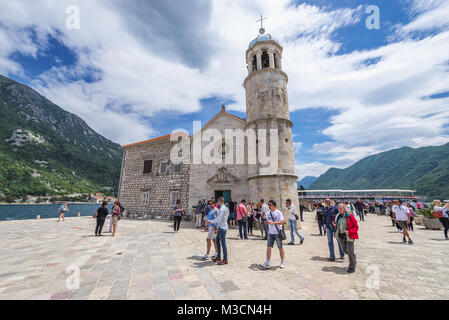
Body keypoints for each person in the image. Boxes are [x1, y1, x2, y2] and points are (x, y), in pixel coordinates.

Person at [259, 200, 286, 270]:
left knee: (280, 247)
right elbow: (269, 221)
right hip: (270, 233)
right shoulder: (268, 213)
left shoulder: (278, 212)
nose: (269, 206)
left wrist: (273, 223)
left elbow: (282, 222)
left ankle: (282, 261)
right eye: (268, 204)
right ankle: (267, 262)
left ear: (274, 205)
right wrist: (267, 222)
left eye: (270, 204)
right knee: (268, 248)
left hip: (277, 233)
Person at [334, 204, 359, 273]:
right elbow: (336, 225)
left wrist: (349, 231)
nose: (339, 209)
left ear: (345, 209)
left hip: (349, 236)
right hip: (341, 237)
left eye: (341, 208)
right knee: (345, 251)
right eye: (338, 208)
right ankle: (353, 258)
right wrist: (335, 228)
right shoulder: (338, 216)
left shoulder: (350, 216)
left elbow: (356, 227)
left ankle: (352, 267)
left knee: (350, 252)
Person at [208, 197, 230, 265]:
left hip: (222, 228)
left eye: (218, 202)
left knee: (223, 244)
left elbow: (218, 219)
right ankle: (218, 257)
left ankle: (225, 259)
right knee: (217, 241)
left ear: (220, 201)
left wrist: (211, 221)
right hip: (223, 227)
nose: (218, 203)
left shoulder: (222, 209)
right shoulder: (226, 208)